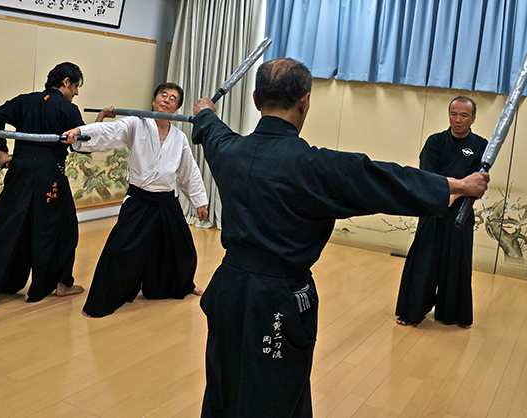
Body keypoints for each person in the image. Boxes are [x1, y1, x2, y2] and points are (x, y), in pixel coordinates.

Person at [191, 58, 489, 417]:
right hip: (278, 298)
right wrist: (458, 185)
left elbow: (210, 129)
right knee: (276, 393)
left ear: (255, 100)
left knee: (224, 385)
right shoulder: (317, 167)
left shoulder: (229, 151)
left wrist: (205, 111)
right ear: (305, 101)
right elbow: (383, 180)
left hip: (228, 291)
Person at [62, 82, 209, 318]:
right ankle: (104, 299)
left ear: (175, 108)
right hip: (139, 200)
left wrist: (199, 202)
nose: (167, 100)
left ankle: (182, 285)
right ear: (153, 101)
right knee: (119, 249)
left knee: (182, 248)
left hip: (166, 201)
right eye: (163, 95)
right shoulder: (136, 124)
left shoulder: (179, 138)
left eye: (173, 99)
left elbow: (188, 172)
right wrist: (80, 132)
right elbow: (109, 133)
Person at [0, 62, 87, 309]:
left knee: (6, 230)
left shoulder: (25, 101)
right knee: (61, 229)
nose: (76, 93)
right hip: (51, 175)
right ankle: (59, 283)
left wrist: (3, 152)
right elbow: (82, 141)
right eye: (76, 86)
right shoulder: (68, 109)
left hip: (21, 171)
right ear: (67, 82)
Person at [395, 96, 488, 328]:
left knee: (457, 263)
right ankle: (412, 311)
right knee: (423, 260)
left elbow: (478, 183)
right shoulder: (435, 141)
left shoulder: (481, 145)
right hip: (432, 209)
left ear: (473, 119)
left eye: (464, 115)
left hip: (460, 214)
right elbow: (427, 175)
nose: (458, 119)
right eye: (454, 114)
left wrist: (454, 195)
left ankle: (452, 313)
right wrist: (449, 191)